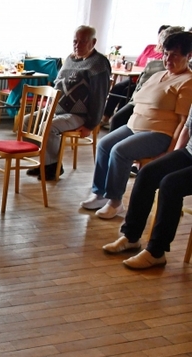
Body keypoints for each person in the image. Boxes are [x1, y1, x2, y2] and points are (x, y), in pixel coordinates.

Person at [81, 32, 192, 219]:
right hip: (134, 126)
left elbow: (184, 122)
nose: (168, 59)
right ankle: (99, 194)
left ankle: (115, 202)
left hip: (159, 133)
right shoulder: (158, 75)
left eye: (174, 55)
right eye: (166, 54)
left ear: (188, 56)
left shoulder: (188, 82)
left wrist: (171, 153)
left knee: (120, 151)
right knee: (104, 145)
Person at [102, 111, 192, 269]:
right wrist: (173, 157)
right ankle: (131, 236)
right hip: (189, 152)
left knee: (170, 185)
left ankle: (156, 252)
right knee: (147, 173)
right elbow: (187, 126)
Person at [26, 25, 111, 181]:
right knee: (27, 121)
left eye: (82, 41)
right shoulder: (70, 59)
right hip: (56, 109)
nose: (77, 45)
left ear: (93, 42)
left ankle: (53, 167)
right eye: (75, 41)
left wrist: (91, 125)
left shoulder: (98, 63)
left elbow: (99, 96)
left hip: (79, 115)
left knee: (48, 126)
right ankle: (43, 161)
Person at [109, 26, 186, 133]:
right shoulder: (153, 65)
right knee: (119, 96)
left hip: (155, 108)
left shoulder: (181, 72)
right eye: (166, 52)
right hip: (140, 99)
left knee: (121, 111)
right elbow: (141, 85)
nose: (168, 57)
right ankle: (106, 117)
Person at [101, 25, 170, 126]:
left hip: (146, 80)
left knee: (126, 91)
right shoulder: (150, 47)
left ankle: (118, 119)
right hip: (135, 76)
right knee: (117, 87)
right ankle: (105, 117)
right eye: (161, 34)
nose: (162, 38)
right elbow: (137, 62)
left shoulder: (166, 53)